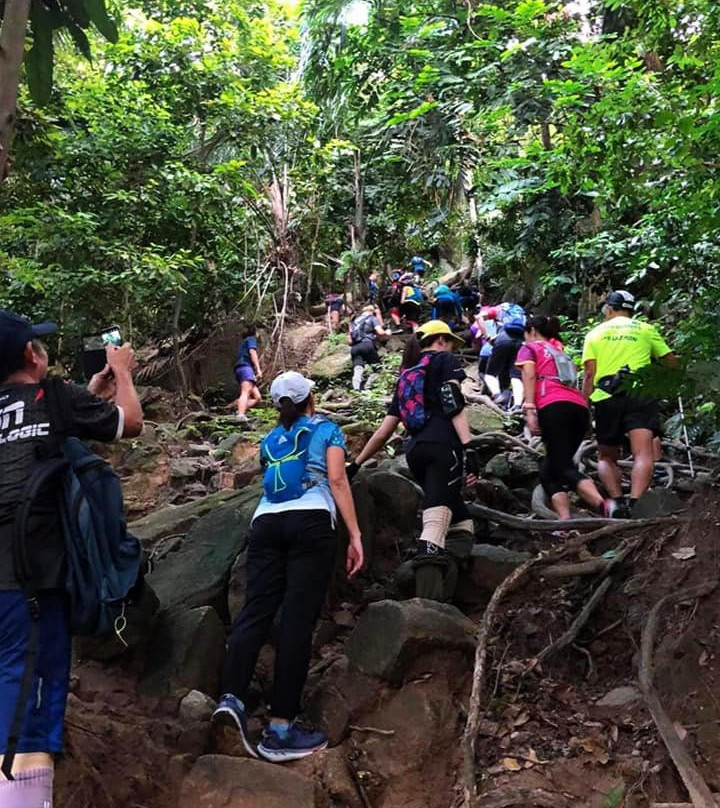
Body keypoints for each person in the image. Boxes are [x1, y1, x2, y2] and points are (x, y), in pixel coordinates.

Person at [0, 310, 143, 807]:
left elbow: (34, 440)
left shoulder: (47, 405)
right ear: (29, 355)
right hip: (29, 586)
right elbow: (132, 424)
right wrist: (122, 371)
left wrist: (92, 391)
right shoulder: (53, 398)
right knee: (28, 726)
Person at [213, 372, 364, 762]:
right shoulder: (327, 429)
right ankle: (279, 729)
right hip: (311, 522)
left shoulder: (270, 440)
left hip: (265, 524)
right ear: (310, 398)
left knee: (254, 612)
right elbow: (336, 479)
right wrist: (355, 534)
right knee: (297, 622)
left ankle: (230, 699)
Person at [347, 321, 479, 602]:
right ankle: (427, 604)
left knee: (460, 521)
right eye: (451, 341)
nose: (453, 346)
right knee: (435, 520)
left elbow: (385, 430)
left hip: (416, 451)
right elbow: (453, 401)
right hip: (444, 446)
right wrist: (469, 447)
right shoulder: (444, 360)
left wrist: (356, 463)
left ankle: (447, 576)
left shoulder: (408, 374)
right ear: (441, 340)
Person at [582, 290, 677, 516]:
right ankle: (636, 503)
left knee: (606, 456)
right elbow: (671, 362)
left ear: (610, 308)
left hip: (607, 397)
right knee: (643, 453)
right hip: (640, 394)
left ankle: (617, 503)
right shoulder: (646, 329)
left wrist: (583, 402)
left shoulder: (595, 333)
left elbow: (589, 373)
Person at [516, 316, 610, 520]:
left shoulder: (530, 348)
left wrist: (530, 410)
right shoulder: (559, 350)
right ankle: (565, 523)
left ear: (531, 331)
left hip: (553, 406)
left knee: (563, 466)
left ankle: (605, 505)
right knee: (550, 470)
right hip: (578, 408)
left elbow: (530, 375)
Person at [348, 306, 391, 391]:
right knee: (378, 369)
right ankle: (367, 387)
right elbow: (380, 332)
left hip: (355, 348)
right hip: (367, 345)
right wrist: (388, 332)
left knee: (358, 369)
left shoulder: (354, 321)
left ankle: (356, 390)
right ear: (372, 311)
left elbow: (349, 341)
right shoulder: (371, 318)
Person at [234, 324, 262, 423]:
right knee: (245, 392)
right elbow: (252, 352)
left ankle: (239, 408)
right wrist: (258, 369)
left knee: (257, 397)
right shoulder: (251, 339)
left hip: (240, 368)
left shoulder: (243, 342)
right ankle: (241, 415)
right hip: (245, 367)